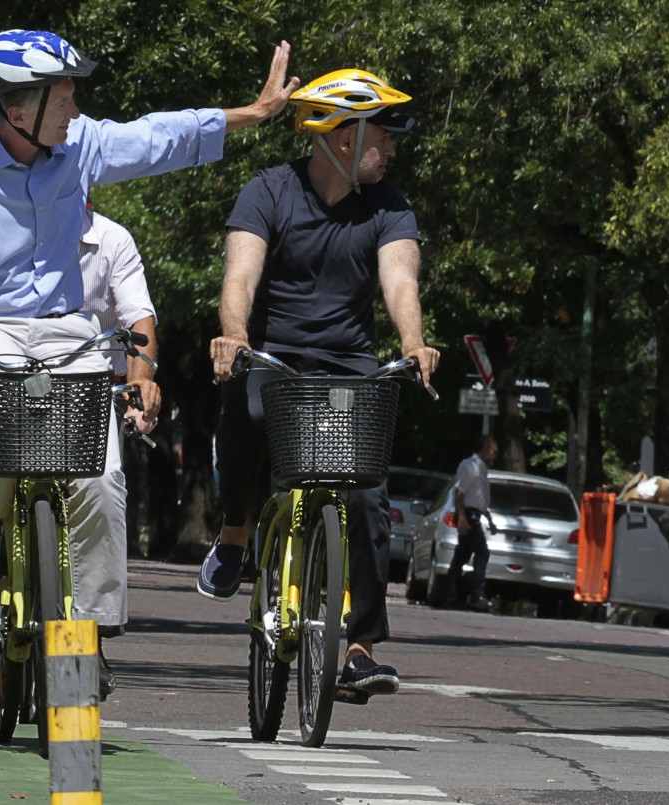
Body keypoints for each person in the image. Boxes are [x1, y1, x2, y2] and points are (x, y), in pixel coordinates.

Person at [0, 29, 300, 614]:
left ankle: (92, 627)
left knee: (101, 476)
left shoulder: (78, 145)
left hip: (68, 331)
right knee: (7, 403)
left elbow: (159, 137)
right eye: (64, 100)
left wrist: (254, 113)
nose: (76, 111)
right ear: (17, 111)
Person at [199, 69, 440, 698]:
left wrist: (412, 345)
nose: (389, 149)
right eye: (380, 137)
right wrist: (236, 336)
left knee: (363, 494)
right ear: (339, 138)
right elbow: (240, 277)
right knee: (245, 408)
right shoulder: (269, 191)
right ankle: (235, 531)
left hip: (348, 362)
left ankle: (359, 647)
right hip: (275, 353)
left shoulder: (390, 209)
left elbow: (400, 283)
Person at [71, 209, 160, 696]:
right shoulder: (3, 221)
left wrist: (140, 381)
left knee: (104, 483)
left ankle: (94, 629)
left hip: (92, 387)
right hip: (14, 377)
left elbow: (139, 319)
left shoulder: (112, 239)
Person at [446, 435, 497, 611]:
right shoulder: (470, 466)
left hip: (474, 514)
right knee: (482, 552)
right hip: (468, 515)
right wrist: (461, 517)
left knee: (462, 555)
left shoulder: (481, 468)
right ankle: (477, 595)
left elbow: (479, 499)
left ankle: (451, 595)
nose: (495, 453)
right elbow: (460, 493)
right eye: (493, 449)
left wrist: (490, 521)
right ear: (484, 449)